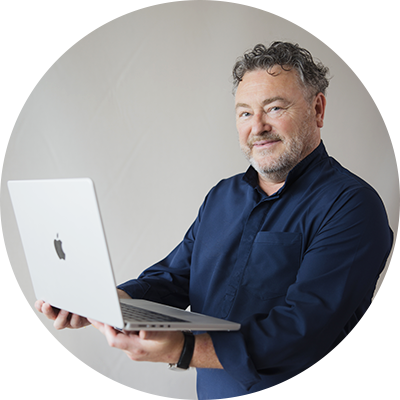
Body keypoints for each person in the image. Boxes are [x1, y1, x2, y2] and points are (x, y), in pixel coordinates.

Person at [36, 42, 393, 399]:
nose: (258, 126)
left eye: (274, 108)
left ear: (317, 109)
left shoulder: (352, 205)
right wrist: (104, 303)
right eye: (245, 113)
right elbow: (174, 278)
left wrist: (184, 349)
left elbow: (301, 331)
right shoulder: (223, 197)